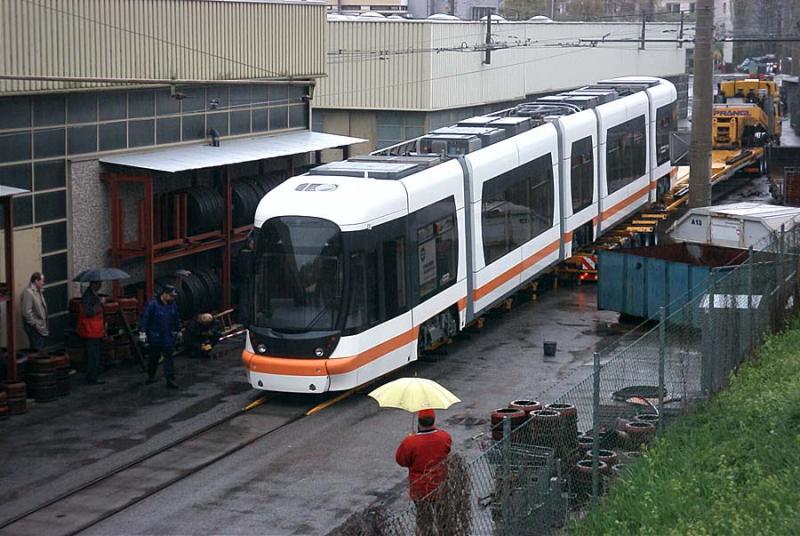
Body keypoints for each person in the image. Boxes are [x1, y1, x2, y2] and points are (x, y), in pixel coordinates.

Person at [395, 409, 452, 534]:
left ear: (419, 421)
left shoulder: (410, 442)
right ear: (433, 420)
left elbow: (401, 461)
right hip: (440, 485)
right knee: (443, 518)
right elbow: (447, 452)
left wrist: (411, 439)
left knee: (424, 521)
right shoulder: (444, 437)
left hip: (420, 489)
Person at [140, 285, 180, 389]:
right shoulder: (152, 305)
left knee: (169, 358)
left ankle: (170, 378)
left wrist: (178, 330)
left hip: (168, 336)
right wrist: (143, 332)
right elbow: (145, 318)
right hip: (155, 337)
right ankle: (151, 375)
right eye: (171, 296)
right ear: (164, 294)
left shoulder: (173, 305)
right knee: (154, 357)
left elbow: (176, 318)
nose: (172, 298)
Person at [77, 281, 106, 384]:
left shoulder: (91, 294)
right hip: (90, 330)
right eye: (99, 283)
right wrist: (100, 303)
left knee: (94, 354)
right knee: (92, 355)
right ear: (94, 284)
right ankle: (92, 377)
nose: (100, 285)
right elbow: (89, 312)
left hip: (94, 329)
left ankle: (92, 375)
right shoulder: (88, 296)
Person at [20, 272, 49, 350]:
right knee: (37, 349)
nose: (43, 283)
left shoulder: (38, 290)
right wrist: (34, 324)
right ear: (36, 281)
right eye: (42, 281)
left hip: (40, 325)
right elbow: (26, 312)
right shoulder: (28, 293)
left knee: (39, 347)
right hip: (34, 327)